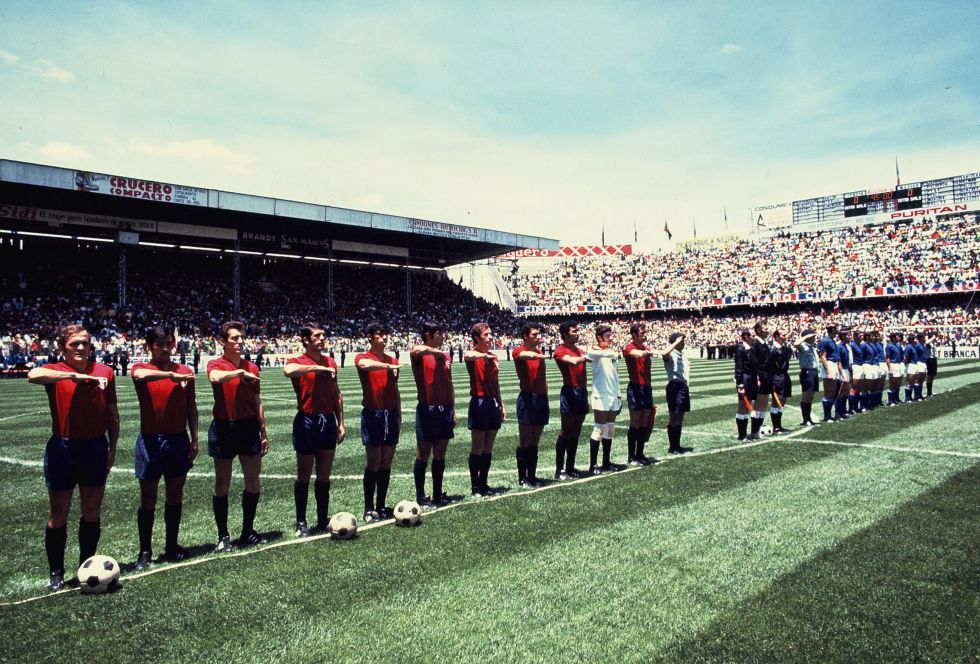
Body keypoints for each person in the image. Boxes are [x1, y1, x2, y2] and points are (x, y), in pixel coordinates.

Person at [28, 324, 119, 591]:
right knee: (59, 512)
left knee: (92, 511)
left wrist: (112, 447)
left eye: (85, 343)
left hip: (94, 447)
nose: (81, 348)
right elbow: (33, 375)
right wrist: (72, 379)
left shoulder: (105, 372)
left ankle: (85, 567)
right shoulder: (56, 370)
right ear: (62, 348)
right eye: (74, 344)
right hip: (63, 448)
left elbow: (112, 414)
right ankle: (56, 571)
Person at [130, 325, 199, 570]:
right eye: (159, 344)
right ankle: (145, 551)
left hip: (178, 439)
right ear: (149, 347)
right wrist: (171, 377)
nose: (165, 348)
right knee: (148, 495)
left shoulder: (185, 371)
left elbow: (191, 406)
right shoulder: (141, 368)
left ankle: (171, 546)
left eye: (168, 343)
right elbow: (140, 377)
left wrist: (195, 437)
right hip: (150, 440)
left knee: (175, 493)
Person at [207, 321, 269, 553]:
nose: (240, 342)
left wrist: (263, 431)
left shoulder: (252, 368)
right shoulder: (216, 363)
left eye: (241, 338)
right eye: (234, 338)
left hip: (248, 427)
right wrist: (237, 372)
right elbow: (215, 378)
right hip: (224, 427)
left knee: (252, 480)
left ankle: (247, 531)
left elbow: (256, 401)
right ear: (223, 341)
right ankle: (223, 535)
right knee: (222, 483)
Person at [283, 323, 344, 537]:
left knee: (324, 475)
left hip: (327, 421)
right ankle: (301, 522)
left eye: (323, 335)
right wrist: (315, 368)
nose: (322, 338)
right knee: (304, 475)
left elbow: (337, 394)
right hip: (306, 420)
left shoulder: (331, 362)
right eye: (317, 336)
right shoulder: (297, 361)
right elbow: (287, 371)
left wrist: (341, 422)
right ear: (306, 340)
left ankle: (322, 519)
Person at [355, 322, 401, 523]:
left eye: (385, 334)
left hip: (390, 415)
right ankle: (368, 507)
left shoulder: (393, 360)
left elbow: (395, 389)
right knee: (373, 462)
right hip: (373, 414)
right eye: (379, 335)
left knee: (386, 462)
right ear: (370, 338)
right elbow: (365, 366)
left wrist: (398, 415)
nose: (384, 338)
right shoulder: (363, 358)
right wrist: (387, 366)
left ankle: (381, 505)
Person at [410, 321, 455, 507]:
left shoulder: (445, 357)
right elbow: (415, 351)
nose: (442, 336)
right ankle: (421, 496)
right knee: (423, 453)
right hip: (428, 409)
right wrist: (434, 351)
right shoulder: (420, 355)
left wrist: (452, 409)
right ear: (428, 334)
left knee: (440, 453)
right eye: (439, 333)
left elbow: (449, 384)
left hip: (444, 410)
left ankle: (437, 494)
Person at [465, 322, 506, 496]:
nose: (490, 338)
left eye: (490, 334)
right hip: (479, 403)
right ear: (476, 338)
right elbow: (468, 356)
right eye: (486, 335)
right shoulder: (473, 355)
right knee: (478, 447)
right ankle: (475, 486)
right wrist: (483, 357)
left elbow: (496, 384)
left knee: (488, 447)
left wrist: (501, 404)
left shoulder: (493, 356)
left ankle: (484, 483)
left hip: (492, 404)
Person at [552, 320, 591, 480]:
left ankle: (570, 467)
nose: (578, 334)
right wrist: (587, 357)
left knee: (576, 431)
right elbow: (573, 361)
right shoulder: (560, 351)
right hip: (570, 392)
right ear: (565, 335)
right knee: (566, 430)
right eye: (574, 331)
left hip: (581, 391)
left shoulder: (579, 350)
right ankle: (559, 469)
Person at [512, 321, 549, 487]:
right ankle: (522, 477)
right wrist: (539, 355)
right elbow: (525, 356)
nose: (538, 337)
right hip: (527, 398)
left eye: (538, 334)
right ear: (525, 337)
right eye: (534, 335)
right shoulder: (519, 350)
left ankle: (532, 476)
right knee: (525, 439)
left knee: (535, 439)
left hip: (541, 398)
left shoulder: (539, 351)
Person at [585, 324, 623, 474]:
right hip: (601, 394)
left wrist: (619, 393)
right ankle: (593, 464)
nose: (611, 338)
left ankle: (606, 462)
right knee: (599, 428)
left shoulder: (611, 352)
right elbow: (589, 354)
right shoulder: (594, 351)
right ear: (599, 338)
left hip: (613, 394)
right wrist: (613, 353)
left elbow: (616, 374)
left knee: (610, 429)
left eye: (611, 335)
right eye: (608, 336)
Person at [623, 323, 656, 465]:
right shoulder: (630, 347)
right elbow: (635, 354)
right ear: (634, 335)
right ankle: (631, 456)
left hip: (647, 388)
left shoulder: (646, 348)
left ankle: (640, 454)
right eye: (642, 332)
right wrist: (645, 352)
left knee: (644, 422)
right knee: (635, 423)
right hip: (636, 388)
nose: (645, 334)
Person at [660, 332, 692, 454]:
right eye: (682, 341)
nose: (683, 343)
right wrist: (676, 342)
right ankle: (672, 447)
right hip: (675, 386)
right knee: (674, 416)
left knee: (680, 417)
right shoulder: (671, 353)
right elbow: (664, 353)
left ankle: (677, 445)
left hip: (683, 386)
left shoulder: (681, 354)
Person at [734, 328, 759, 440]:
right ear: (746, 337)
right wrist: (740, 385)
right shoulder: (740, 349)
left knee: (748, 404)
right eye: (753, 335)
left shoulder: (752, 348)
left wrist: (757, 378)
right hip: (744, 380)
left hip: (752, 379)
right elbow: (738, 368)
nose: (755, 337)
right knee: (743, 406)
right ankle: (742, 435)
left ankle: (746, 433)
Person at [792, 329, 820, 426]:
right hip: (807, 372)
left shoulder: (812, 347)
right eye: (811, 336)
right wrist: (804, 337)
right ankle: (805, 419)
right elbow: (795, 344)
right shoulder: (802, 346)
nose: (814, 338)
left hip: (813, 372)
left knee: (811, 396)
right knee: (806, 396)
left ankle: (808, 418)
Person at [767, 329, 792, 433]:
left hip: (785, 376)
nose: (785, 336)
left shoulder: (784, 347)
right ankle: (776, 426)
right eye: (783, 334)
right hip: (777, 377)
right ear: (777, 336)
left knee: (783, 399)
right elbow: (769, 365)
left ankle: (779, 425)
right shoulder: (772, 349)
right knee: (776, 401)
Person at [818, 324, 841, 423]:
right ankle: (827, 416)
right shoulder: (825, 340)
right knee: (828, 392)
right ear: (832, 329)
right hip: (829, 365)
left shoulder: (832, 340)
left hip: (834, 365)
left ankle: (830, 415)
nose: (837, 331)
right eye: (836, 329)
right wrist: (828, 371)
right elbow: (823, 357)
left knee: (833, 392)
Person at [835, 328, 852, 420]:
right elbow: (839, 361)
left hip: (846, 369)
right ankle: (838, 413)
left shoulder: (845, 346)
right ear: (843, 336)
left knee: (845, 393)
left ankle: (843, 411)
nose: (850, 337)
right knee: (841, 393)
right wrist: (842, 373)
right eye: (848, 335)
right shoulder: (840, 347)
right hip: (842, 370)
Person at [885, 332, 905, 406]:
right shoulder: (889, 346)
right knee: (892, 383)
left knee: (898, 382)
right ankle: (891, 401)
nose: (899, 338)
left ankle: (896, 399)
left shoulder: (898, 345)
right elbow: (887, 358)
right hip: (893, 364)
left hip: (898, 364)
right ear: (893, 338)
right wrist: (890, 368)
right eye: (897, 337)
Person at [925, 332, 938, 397]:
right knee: (929, 376)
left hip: (933, 359)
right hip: (929, 359)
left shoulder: (933, 343)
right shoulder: (929, 343)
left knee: (932, 376)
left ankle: (930, 392)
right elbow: (927, 343)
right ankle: (929, 393)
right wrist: (933, 337)